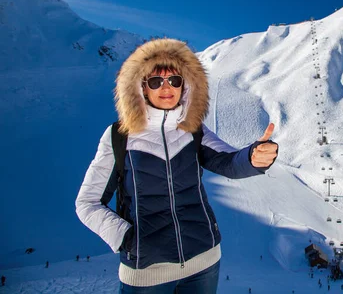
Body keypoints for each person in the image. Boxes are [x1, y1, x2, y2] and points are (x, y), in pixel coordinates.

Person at [76, 39, 279, 294]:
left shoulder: (193, 130)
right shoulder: (119, 137)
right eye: (155, 81)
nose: (166, 87)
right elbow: (87, 203)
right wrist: (126, 239)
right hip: (146, 274)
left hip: (203, 263)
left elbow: (229, 163)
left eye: (174, 80)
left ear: (185, 86)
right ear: (141, 87)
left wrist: (253, 157)